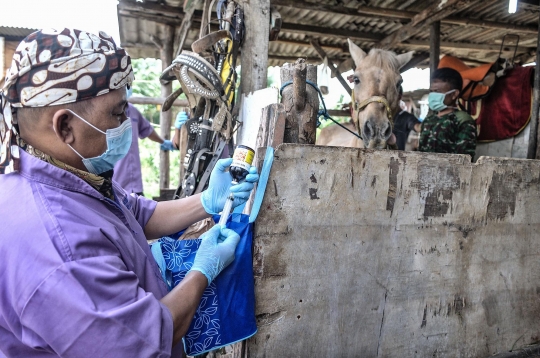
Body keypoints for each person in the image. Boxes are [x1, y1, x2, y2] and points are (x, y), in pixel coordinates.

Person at [0, 28, 258, 357]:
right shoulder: (60, 247)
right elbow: (146, 340)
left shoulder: (64, 174)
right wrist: (202, 272)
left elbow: (134, 212)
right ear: (65, 126)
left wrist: (207, 201)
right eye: (117, 112)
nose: (126, 123)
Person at [113, 90, 176, 195]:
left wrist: (163, 142)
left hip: (135, 184)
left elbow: (147, 130)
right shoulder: (107, 113)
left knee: (137, 208)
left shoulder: (133, 111)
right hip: (117, 181)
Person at [418, 67, 477, 158]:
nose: (433, 95)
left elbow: (464, 160)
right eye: (431, 91)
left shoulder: (463, 121)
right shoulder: (429, 120)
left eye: (437, 91)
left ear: (454, 94)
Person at [392, 86, 421, 151]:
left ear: (399, 97)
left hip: (396, 157)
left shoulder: (406, 117)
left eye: (390, 94)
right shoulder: (380, 116)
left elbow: (418, 127)